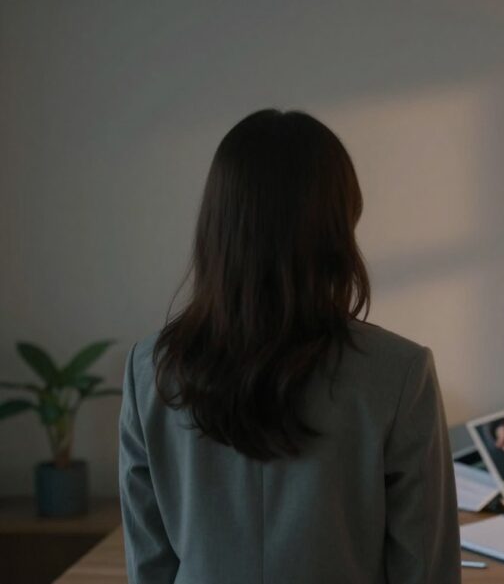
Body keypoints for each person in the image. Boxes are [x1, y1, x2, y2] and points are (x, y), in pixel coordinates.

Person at [118, 109, 461, 584]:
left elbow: (148, 566)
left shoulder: (151, 369)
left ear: (217, 223)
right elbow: (425, 571)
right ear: (338, 224)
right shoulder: (401, 372)